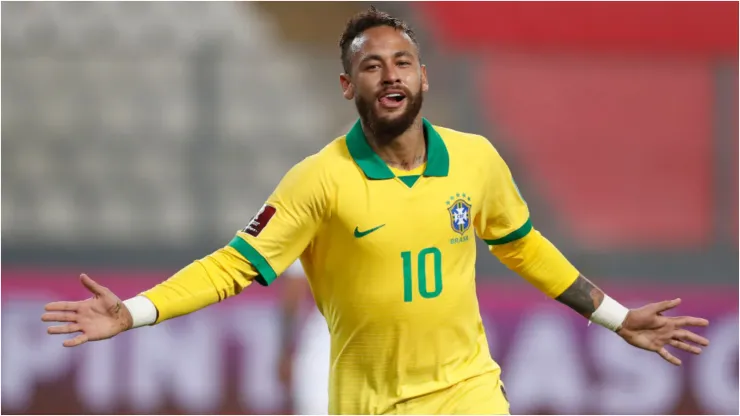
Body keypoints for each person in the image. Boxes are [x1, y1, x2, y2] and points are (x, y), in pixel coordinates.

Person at [42, 7, 710, 415]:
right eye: (371, 67)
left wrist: (617, 318)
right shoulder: (318, 182)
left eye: (403, 62)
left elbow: (523, 245)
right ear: (346, 85)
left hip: (466, 395)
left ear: (423, 77)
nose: (390, 75)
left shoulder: (476, 161)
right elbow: (234, 266)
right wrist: (132, 312)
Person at [278, 260, 331, 415]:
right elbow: (293, 291)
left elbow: (292, 292)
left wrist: (285, 351)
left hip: (326, 350)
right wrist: (286, 351)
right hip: (325, 351)